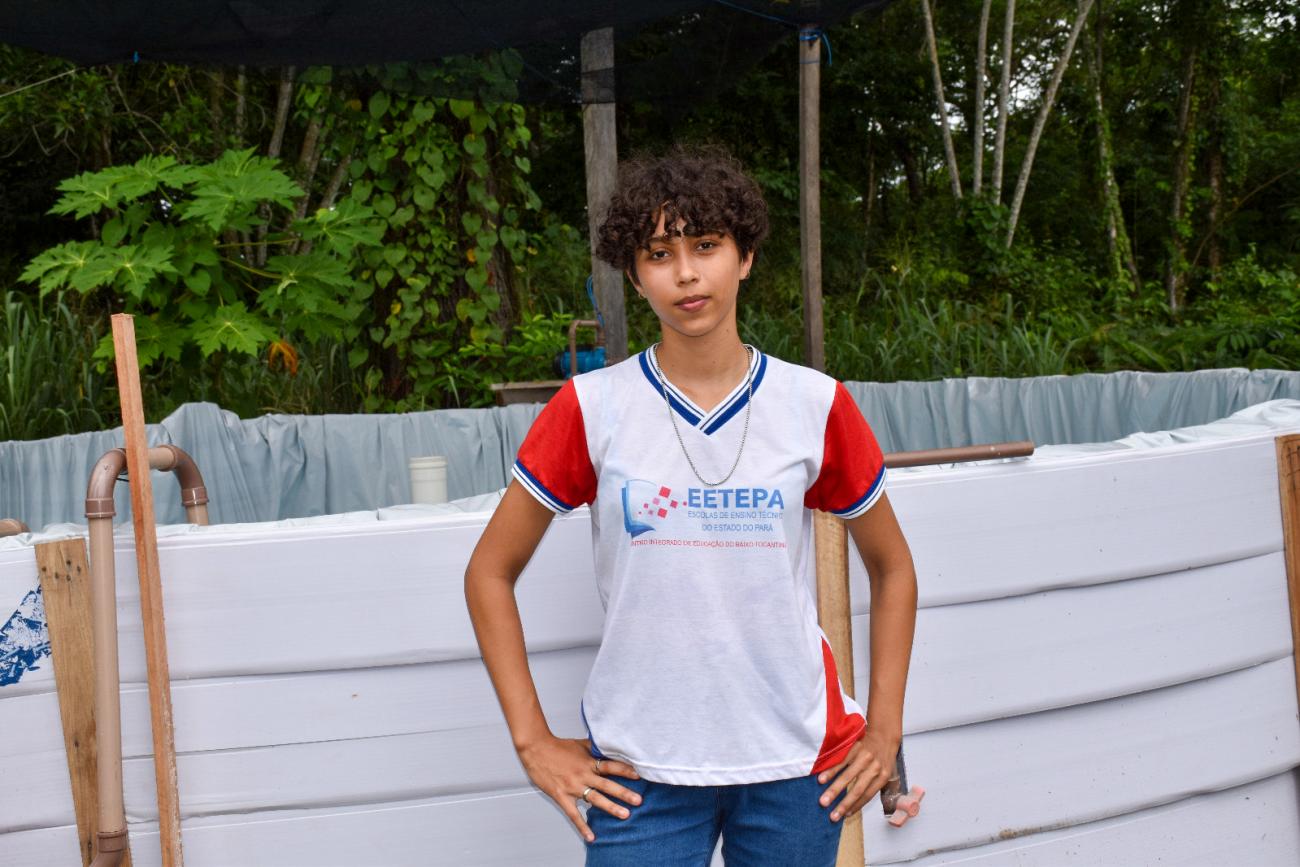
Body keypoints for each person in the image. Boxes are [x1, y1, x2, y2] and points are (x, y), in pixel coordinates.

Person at [464, 144, 917, 866]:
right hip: (639, 773)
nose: (685, 272)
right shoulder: (591, 407)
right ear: (633, 273)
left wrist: (885, 729)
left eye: (706, 245)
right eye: (658, 253)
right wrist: (533, 740)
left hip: (797, 767)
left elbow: (893, 568)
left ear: (745, 256)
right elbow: (489, 571)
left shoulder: (814, 404)